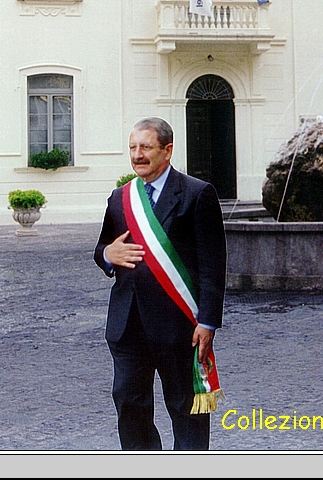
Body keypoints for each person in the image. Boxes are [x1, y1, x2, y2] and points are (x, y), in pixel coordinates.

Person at [94, 117, 227, 450]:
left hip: (180, 325)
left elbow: (213, 264)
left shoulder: (197, 194)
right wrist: (108, 254)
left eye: (146, 147)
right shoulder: (120, 198)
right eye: (133, 148)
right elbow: (103, 249)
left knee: (187, 408)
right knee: (128, 403)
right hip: (128, 324)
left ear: (167, 151)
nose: (138, 155)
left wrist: (208, 321)